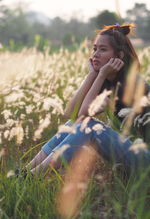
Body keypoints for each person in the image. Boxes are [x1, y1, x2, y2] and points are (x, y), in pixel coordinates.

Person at [22, 24, 150, 177]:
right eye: (94, 48)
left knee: (86, 125)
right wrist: (92, 75)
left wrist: (100, 75)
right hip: (131, 152)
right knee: (71, 125)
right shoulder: (109, 82)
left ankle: (32, 177)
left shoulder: (130, 84)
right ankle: (25, 172)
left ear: (120, 55)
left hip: (144, 162)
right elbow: (72, 114)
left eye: (103, 49)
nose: (95, 54)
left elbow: (82, 118)